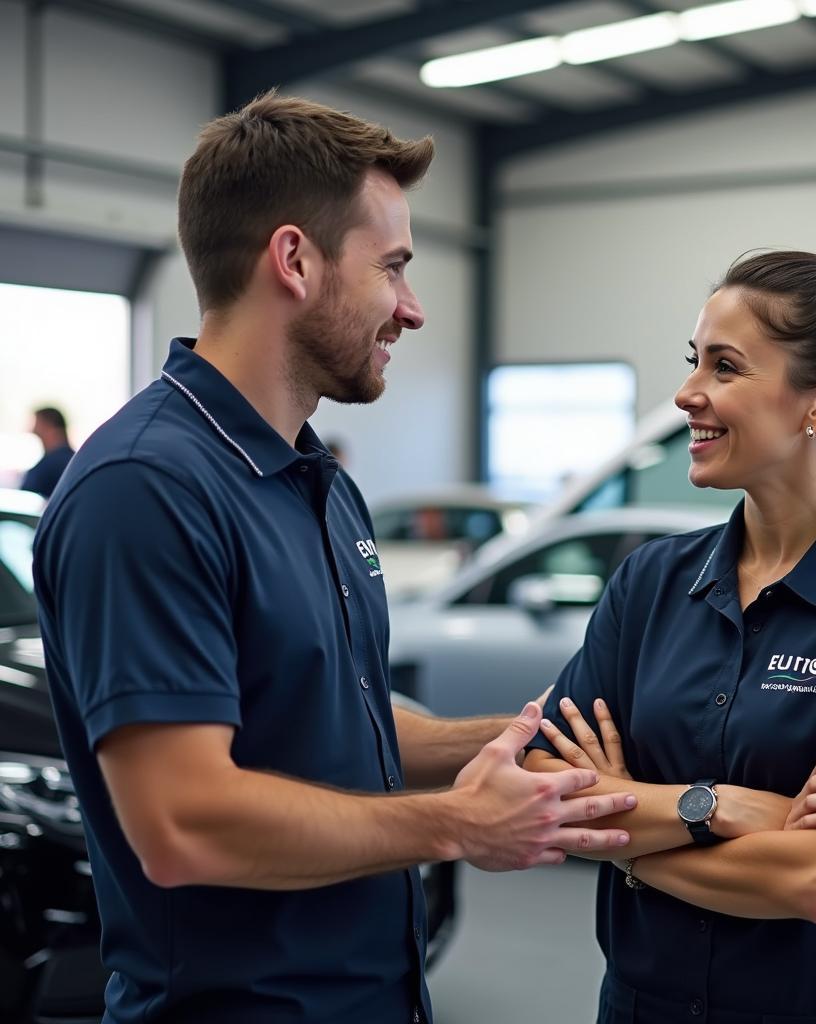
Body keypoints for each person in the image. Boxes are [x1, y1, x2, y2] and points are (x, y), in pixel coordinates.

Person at [31, 93, 637, 1024]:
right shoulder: (146, 488)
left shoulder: (316, 481)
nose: (413, 308)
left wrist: (526, 743)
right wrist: (456, 824)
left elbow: (329, 722)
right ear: (295, 260)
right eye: (392, 268)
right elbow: (182, 824)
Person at [525, 246, 816, 1024]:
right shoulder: (649, 582)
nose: (687, 393)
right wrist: (718, 805)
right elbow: (547, 787)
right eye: (695, 362)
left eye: (725, 368)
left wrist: (626, 841)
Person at [21, 406, 75, 498]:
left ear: (48, 425)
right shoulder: (73, 460)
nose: (32, 428)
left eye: (36, 423)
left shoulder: (50, 464)